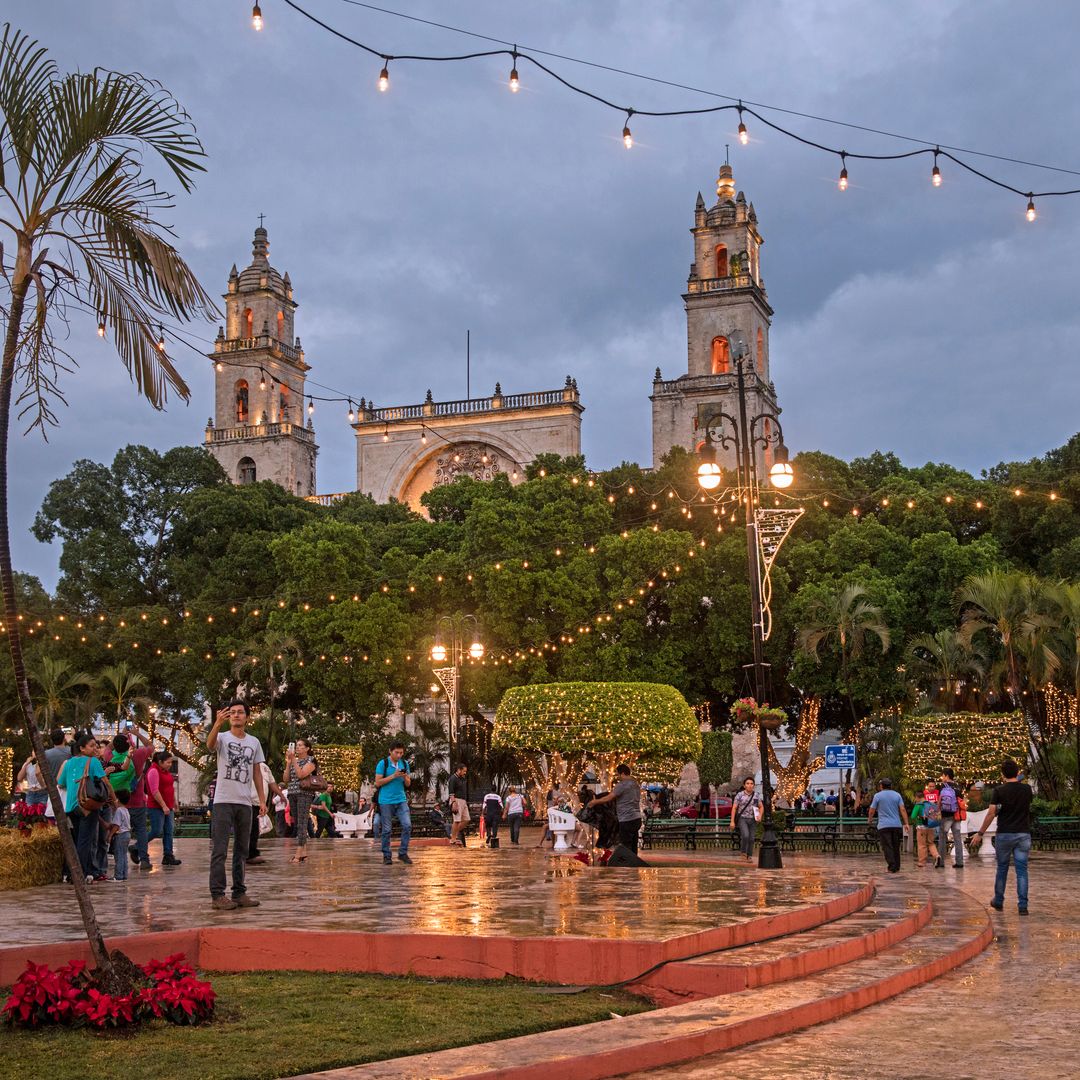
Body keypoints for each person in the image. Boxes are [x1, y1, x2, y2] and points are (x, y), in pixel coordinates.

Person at [206, 700, 267, 910]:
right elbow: (209, 745)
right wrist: (216, 724)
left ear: (247, 717)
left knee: (242, 850)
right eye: (232, 713)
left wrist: (261, 799)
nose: (236, 715)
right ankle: (217, 895)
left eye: (240, 712)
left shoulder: (254, 742)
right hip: (223, 801)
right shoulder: (222, 737)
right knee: (220, 849)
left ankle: (239, 892)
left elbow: (257, 772)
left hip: (244, 802)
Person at [970, 758, 1033, 915]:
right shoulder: (1027, 790)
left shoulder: (999, 791)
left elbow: (991, 812)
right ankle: (1023, 905)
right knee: (1022, 870)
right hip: (1023, 833)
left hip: (1005, 833)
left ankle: (998, 900)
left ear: (1002, 774)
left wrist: (980, 833)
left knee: (1002, 868)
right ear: (1017, 772)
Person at [56, 733, 109, 881]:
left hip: (72, 807)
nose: (95, 749)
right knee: (85, 842)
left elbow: (61, 783)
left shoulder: (69, 762)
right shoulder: (93, 762)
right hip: (87, 806)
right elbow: (105, 782)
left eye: (96, 746)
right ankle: (79, 874)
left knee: (79, 840)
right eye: (91, 746)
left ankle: (73, 873)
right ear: (82, 748)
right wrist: (114, 800)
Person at [589, 763, 643, 854]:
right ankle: (634, 864)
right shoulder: (635, 784)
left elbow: (609, 798)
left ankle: (627, 865)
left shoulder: (622, 785)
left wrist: (595, 802)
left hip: (626, 819)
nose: (618, 777)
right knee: (633, 844)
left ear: (622, 773)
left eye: (618, 774)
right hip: (637, 818)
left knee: (625, 845)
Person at [374, 741, 412, 865]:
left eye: (401, 753)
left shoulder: (404, 764)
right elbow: (378, 782)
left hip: (401, 799)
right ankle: (386, 855)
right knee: (386, 830)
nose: (399, 755)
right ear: (390, 751)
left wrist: (405, 777)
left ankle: (403, 853)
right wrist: (393, 776)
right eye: (397, 752)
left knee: (407, 825)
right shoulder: (383, 764)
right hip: (385, 800)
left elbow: (408, 784)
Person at [124, 727, 155, 869]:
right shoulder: (139, 754)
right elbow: (151, 746)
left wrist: (122, 734)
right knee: (141, 830)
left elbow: (108, 749)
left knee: (119, 831)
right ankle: (144, 859)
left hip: (119, 801)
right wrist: (137, 734)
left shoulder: (111, 756)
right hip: (137, 800)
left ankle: (119, 860)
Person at [283, 738, 317, 863]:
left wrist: (294, 762)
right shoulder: (293, 761)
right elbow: (286, 778)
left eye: (300, 745)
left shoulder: (311, 760)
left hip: (304, 794)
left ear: (307, 748)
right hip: (292, 793)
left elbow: (301, 774)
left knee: (302, 823)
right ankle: (304, 853)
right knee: (298, 823)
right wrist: (289, 762)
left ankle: (298, 852)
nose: (297, 747)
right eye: (296, 745)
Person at [146, 751, 182, 867]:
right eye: (168, 762)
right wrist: (163, 805)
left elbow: (170, 787)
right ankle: (137, 846)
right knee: (157, 830)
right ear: (160, 762)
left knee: (169, 831)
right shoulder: (153, 771)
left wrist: (174, 802)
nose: (170, 764)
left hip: (168, 806)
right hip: (156, 807)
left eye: (171, 762)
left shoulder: (166, 772)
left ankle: (168, 855)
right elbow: (154, 791)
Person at [868, 778, 910, 873]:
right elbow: (902, 809)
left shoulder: (877, 796)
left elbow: (872, 810)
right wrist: (906, 823)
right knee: (896, 846)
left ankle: (891, 866)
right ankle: (897, 866)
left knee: (887, 846)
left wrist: (870, 820)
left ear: (882, 786)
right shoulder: (897, 795)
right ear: (890, 786)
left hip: (884, 826)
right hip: (896, 825)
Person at [729, 776, 762, 861]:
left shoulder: (756, 795)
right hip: (742, 819)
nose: (750, 785)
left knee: (751, 838)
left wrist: (760, 815)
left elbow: (761, 807)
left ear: (754, 785)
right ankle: (743, 853)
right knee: (746, 835)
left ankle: (749, 855)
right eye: (747, 783)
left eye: (751, 784)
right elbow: (734, 808)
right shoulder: (740, 795)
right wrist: (732, 821)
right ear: (744, 785)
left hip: (753, 819)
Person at [938, 768, 964, 868]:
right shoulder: (958, 786)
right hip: (957, 815)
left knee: (942, 838)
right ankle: (959, 862)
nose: (942, 778)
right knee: (957, 838)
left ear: (947, 775)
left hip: (946, 815)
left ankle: (941, 862)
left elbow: (940, 801)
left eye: (943, 775)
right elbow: (961, 801)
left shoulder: (943, 786)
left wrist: (937, 810)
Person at [43, 728, 71, 819]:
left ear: (52, 740)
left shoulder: (46, 754)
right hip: (69, 788)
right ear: (64, 739)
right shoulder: (70, 752)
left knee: (54, 817)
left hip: (53, 789)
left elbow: (40, 772)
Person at [912, 784, 942, 869]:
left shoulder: (918, 805)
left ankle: (922, 862)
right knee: (931, 843)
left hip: (921, 827)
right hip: (931, 827)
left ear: (917, 797)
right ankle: (937, 856)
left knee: (922, 845)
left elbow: (913, 816)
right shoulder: (930, 804)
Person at [110, 789, 131, 881]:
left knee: (118, 855)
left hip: (121, 835)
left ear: (117, 799)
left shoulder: (119, 811)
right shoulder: (126, 810)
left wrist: (110, 835)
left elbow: (116, 826)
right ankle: (124, 875)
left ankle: (118, 876)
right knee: (124, 855)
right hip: (127, 834)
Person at [448, 763, 469, 847]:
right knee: (457, 820)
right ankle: (453, 839)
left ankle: (453, 833)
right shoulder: (453, 778)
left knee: (466, 819)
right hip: (456, 800)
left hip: (463, 800)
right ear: (459, 770)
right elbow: (451, 792)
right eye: (464, 771)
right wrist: (453, 803)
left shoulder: (462, 779)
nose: (465, 773)